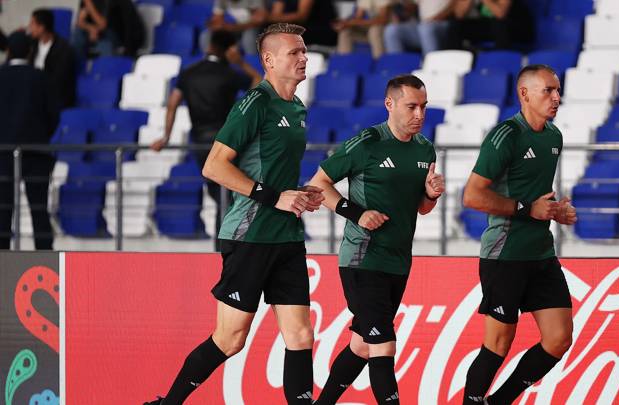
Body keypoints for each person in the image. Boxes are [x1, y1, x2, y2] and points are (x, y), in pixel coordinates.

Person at [143, 23, 324, 405]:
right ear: (269, 61)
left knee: (301, 337)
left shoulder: (297, 106)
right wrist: (274, 197)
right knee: (230, 339)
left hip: (287, 236)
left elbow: (273, 172)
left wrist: (301, 193)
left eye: (304, 51)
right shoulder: (254, 103)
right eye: (294, 52)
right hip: (250, 234)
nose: (303, 57)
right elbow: (214, 167)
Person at [309, 74, 445, 405]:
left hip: (398, 261)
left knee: (361, 344)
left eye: (424, 107)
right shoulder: (367, 142)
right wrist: (355, 213)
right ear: (390, 104)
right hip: (362, 259)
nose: (419, 115)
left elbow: (422, 209)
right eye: (412, 106)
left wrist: (431, 195)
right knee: (383, 345)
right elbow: (318, 183)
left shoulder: (425, 149)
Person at [460, 64, 577, 404]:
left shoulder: (554, 136)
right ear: (524, 94)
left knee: (558, 339)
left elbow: (537, 193)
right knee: (497, 345)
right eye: (548, 91)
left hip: (541, 253)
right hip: (505, 254)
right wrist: (529, 209)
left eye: (558, 90)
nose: (556, 97)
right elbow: (472, 196)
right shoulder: (506, 136)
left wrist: (557, 211)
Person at [150, 29, 261, 250]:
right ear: (230, 49)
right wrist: (240, 62)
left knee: (219, 193)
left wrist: (165, 136)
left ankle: (223, 246)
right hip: (226, 143)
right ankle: (225, 247)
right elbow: (258, 83)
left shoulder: (189, 73)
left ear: (209, 45)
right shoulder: (229, 73)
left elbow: (172, 104)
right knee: (227, 195)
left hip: (199, 144)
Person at [0, 32, 59, 250]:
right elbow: (53, 114)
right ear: (30, 51)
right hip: (36, 151)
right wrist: (40, 136)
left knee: (3, 210)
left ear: (8, 51)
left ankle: (2, 261)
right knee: (38, 210)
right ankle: (45, 258)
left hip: (3, 152)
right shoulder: (40, 77)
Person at [28, 8, 77, 109]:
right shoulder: (31, 45)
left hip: (53, 98)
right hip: (33, 93)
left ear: (42, 27)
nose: (29, 27)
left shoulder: (64, 49)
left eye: (32, 24)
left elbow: (59, 81)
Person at [72, 0, 145, 58]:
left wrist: (89, 5)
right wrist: (90, 28)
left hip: (119, 34)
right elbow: (79, 22)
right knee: (78, 36)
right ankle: (76, 71)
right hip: (98, 31)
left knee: (104, 44)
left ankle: (105, 72)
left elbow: (103, 24)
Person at [451, 0, 534, 51]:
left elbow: (500, 14)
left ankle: (500, 58)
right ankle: (457, 58)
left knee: (499, 24)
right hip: (490, 27)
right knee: (457, 26)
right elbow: (459, 15)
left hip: (514, 28)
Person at [383, 0, 455, 55]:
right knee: (392, 29)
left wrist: (435, 18)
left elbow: (454, 5)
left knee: (425, 28)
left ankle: (430, 67)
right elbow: (411, 8)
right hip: (422, 25)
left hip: (445, 23)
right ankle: (398, 67)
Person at [202, 0, 268, 56]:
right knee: (206, 35)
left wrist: (233, 27)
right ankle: (210, 63)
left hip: (251, 29)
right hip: (232, 31)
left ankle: (253, 64)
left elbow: (259, 20)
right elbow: (217, 18)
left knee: (249, 36)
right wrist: (214, 25)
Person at [267, 0, 338, 48]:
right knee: (268, 31)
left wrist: (266, 17)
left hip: (318, 30)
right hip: (296, 30)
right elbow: (275, 16)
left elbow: (301, 16)